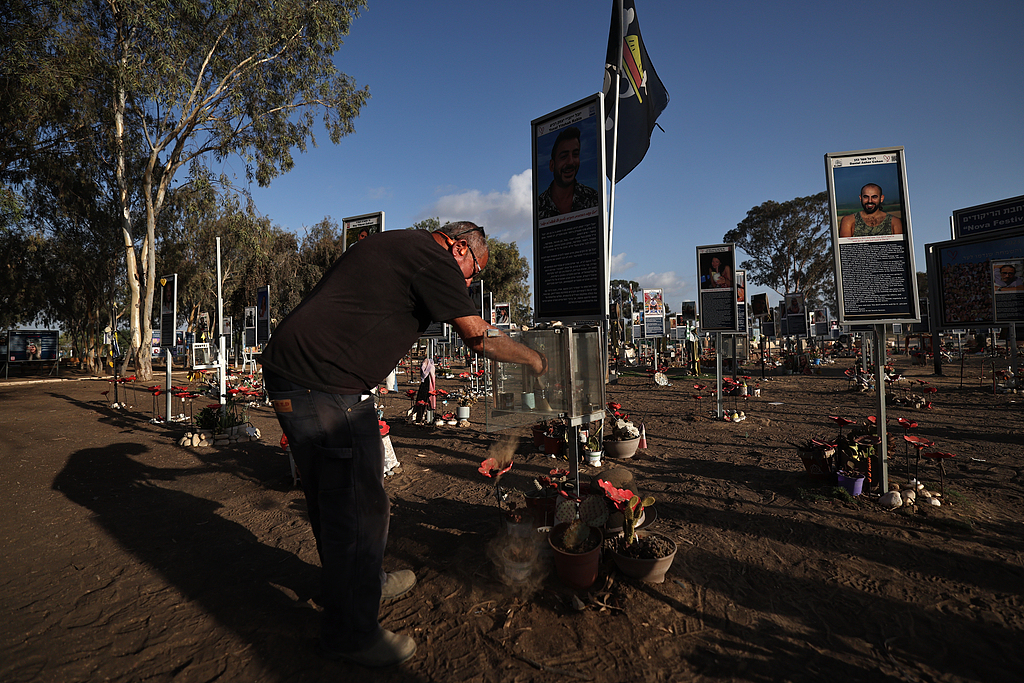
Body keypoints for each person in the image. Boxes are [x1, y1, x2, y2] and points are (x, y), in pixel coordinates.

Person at [259, 222, 546, 668]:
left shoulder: (402, 243)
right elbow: (477, 335)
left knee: (329, 493)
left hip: (298, 373)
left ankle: (360, 581)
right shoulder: (434, 259)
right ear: (459, 246)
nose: (468, 283)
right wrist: (534, 358)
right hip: (322, 382)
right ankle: (350, 633)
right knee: (361, 505)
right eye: (474, 272)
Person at [536, 126, 599, 219]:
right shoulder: (539, 205)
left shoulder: (593, 198)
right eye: (564, 156)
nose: (570, 162)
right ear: (552, 165)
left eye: (575, 154)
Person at [839, 183, 905, 237]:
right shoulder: (848, 221)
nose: (870, 201)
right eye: (866, 197)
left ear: (881, 198)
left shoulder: (894, 222)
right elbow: (845, 250)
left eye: (874, 197)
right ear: (860, 198)